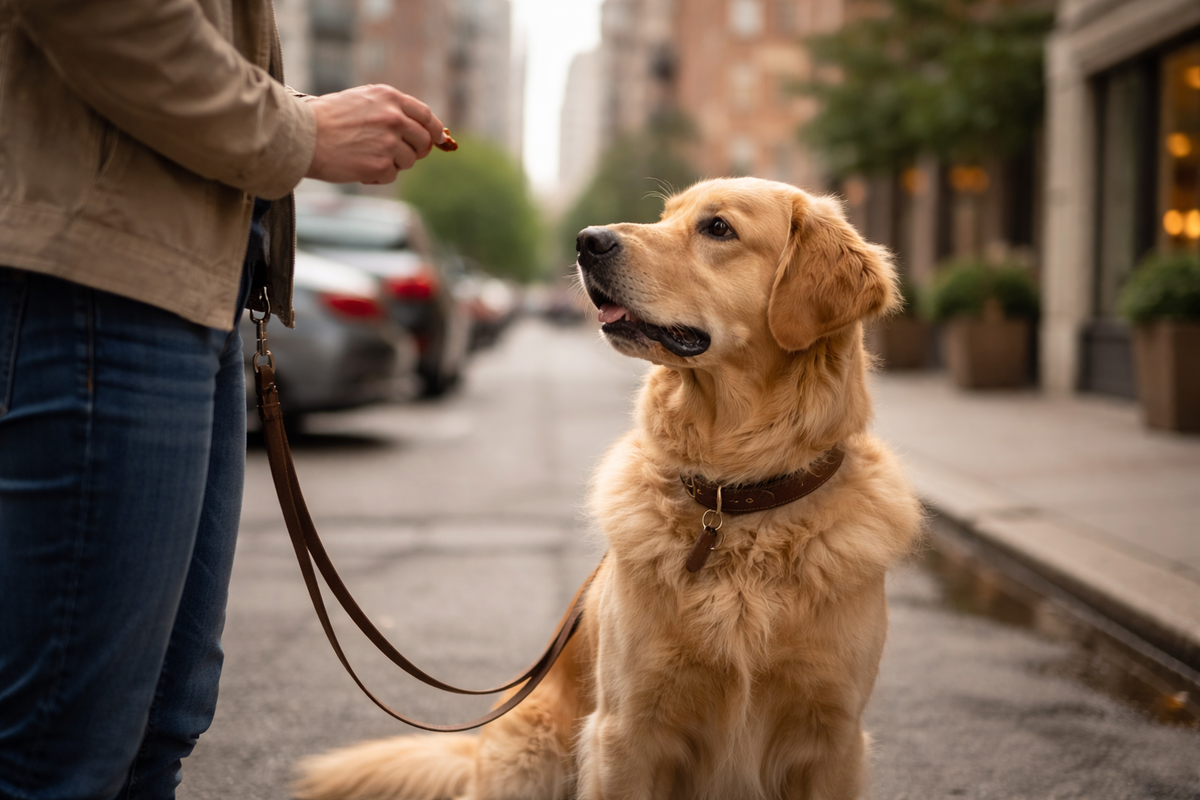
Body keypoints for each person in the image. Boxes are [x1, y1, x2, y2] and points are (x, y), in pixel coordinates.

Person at [0, 0, 446, 797]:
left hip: (195, 286)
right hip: (101, 281)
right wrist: (301, 134)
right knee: (68, 749)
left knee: (161, 725)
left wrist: (297, 121)